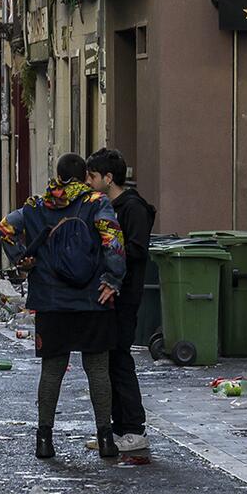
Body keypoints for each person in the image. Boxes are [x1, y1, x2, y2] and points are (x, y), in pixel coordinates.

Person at [0, 152, 126, 462]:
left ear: (57, 174)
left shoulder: (36, 205)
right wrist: (112, 279)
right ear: (84, 176)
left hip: (50, 300)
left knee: (52, 371)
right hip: (92, 300)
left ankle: (44, 440)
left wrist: (21, 258)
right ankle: (106, 439)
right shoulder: (96, 202)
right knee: (97, 370)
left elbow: (5, 227)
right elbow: (113, 240)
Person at [87, 148, 155, 459]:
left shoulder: (132, 208)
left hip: (125, 294)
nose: (88, 182)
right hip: (110, 295)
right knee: (111, 361)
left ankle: (134, 429)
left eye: (92, 176)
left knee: (121, 359)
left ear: (108, 178)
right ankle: (117, 428)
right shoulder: (108, 206)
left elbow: (138, 249)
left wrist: (114, 250)